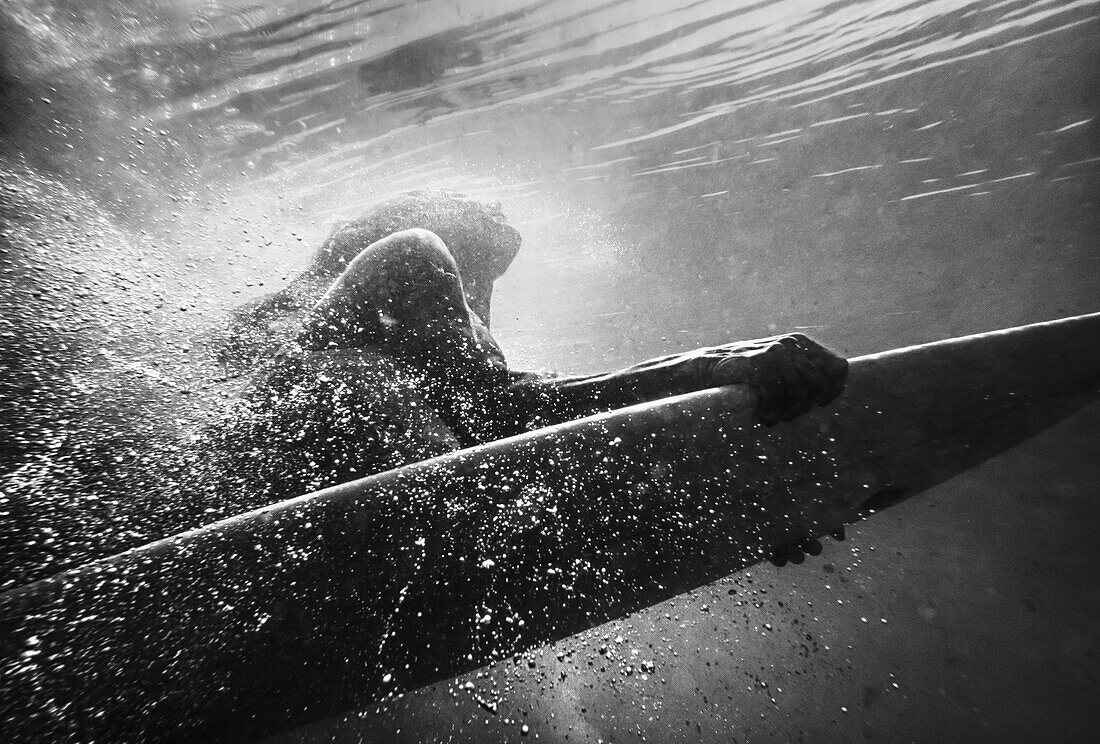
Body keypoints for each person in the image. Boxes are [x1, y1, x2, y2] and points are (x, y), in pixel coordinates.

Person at [197, 192, 847, 523]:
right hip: (247, 466)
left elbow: (520, 427)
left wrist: (730, 501)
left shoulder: (306, 337)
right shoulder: (405, 265)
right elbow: (510, 411)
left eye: (483, 289)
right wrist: (717, 367)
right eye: (477, 279)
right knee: (422, 263)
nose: (478, 308)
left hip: (252, 481)